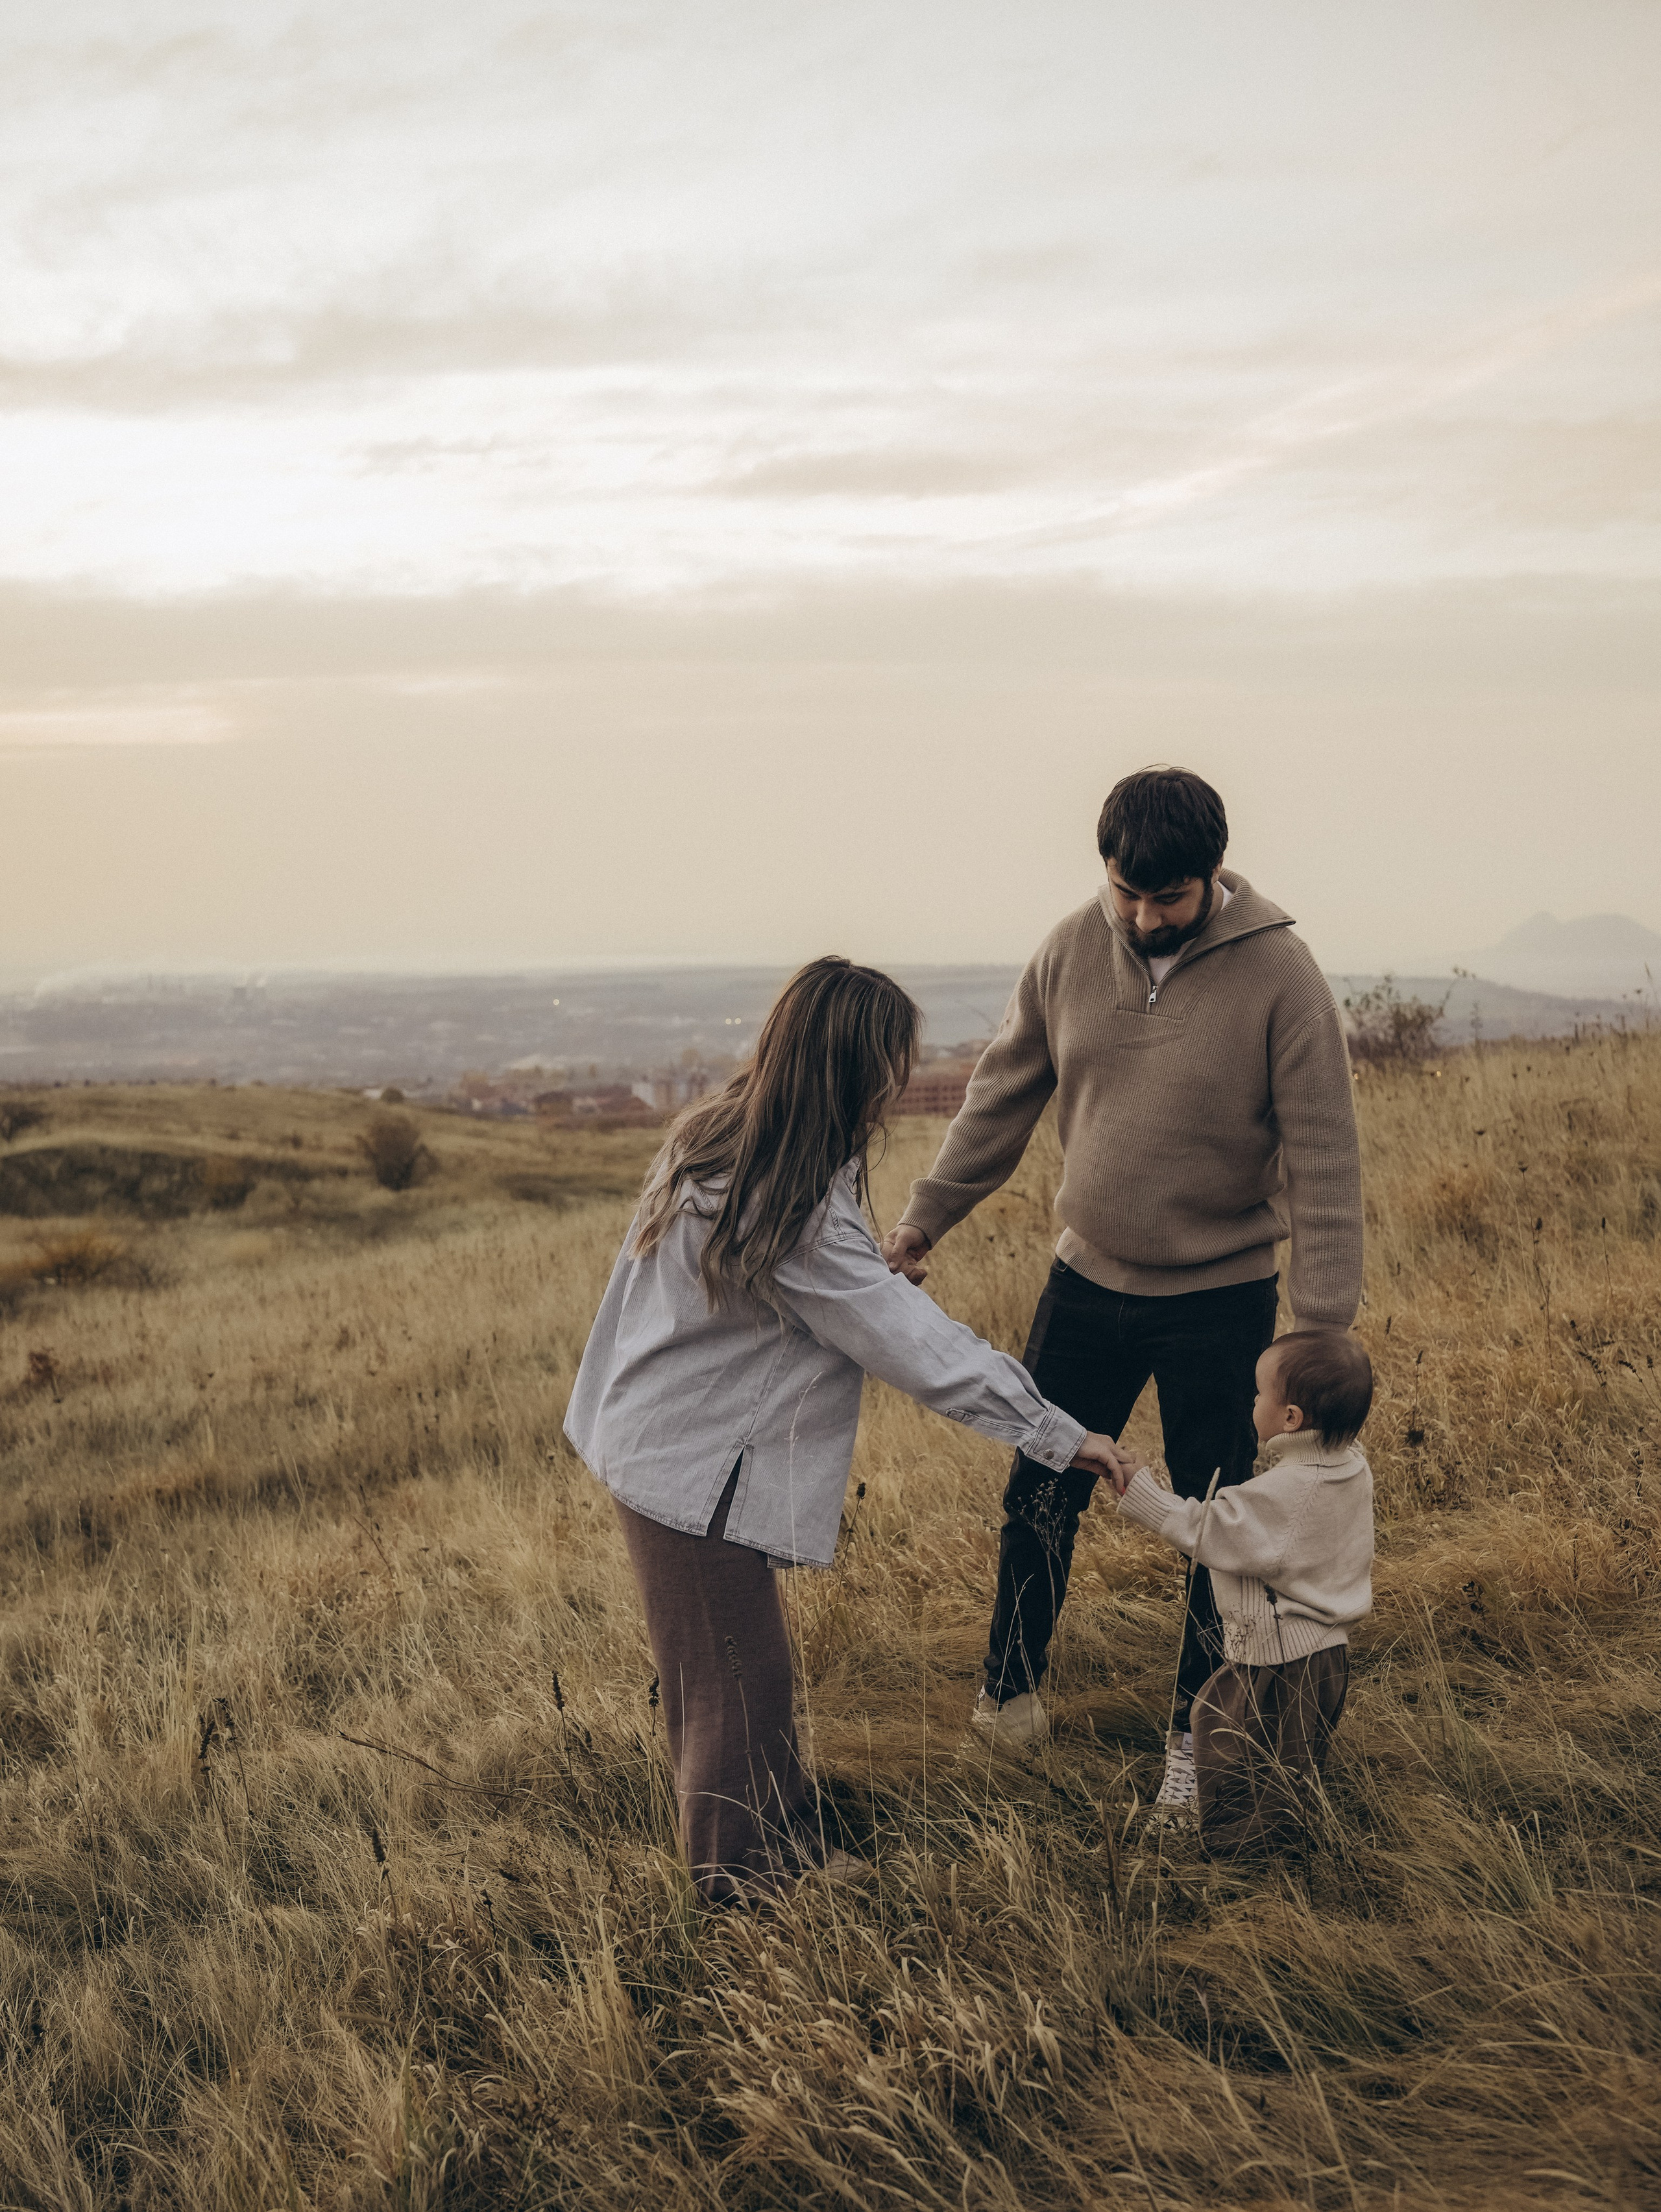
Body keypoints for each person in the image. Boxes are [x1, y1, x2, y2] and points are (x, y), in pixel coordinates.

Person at [564, 956, 1121, 1905]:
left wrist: (861, 1284)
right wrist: (1062, 1434)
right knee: (735, 1685)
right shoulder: (786, 1199)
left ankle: (786, 1850)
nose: (894, 1090)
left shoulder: (722, 1141)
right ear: (852, 1069)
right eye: (888, 1068)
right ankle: (742, 1897)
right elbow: (917, 1348)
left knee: (736, 1675)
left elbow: (790, 1291)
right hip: (691, 1472)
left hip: (661, 1448)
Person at [881, 765, 1363, 1816]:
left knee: (1219, 1530)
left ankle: (1198, 1747)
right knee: (1039, 1495)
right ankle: (1006, 1705)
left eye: (1168, 898)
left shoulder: (1281, 974)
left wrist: (1320, 1335)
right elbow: (1000, 1098)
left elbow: (1326, 1156)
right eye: (1125, 893)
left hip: (1222, 1297)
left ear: (1211, 876)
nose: (1143, 917)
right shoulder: (1067, 949)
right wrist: (923, 1219)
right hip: (1085, 1284)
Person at [1106, 1330, 1374, 1853]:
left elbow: (1211, 1531)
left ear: (1291, 1419)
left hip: (1281, 1660)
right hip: (1326, 1654)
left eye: (1259, 1394)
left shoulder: (1289, 1491)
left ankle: (1241, 1860)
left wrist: (1140, 1491)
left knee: (1236, 1750)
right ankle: (1280, 1841)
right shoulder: (1349, 1464)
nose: (1252, 1402)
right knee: (1287, 1757)